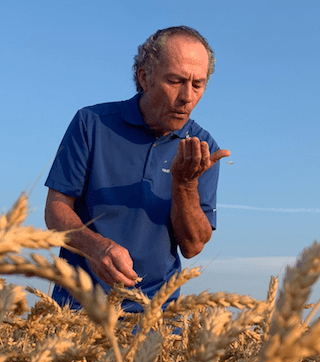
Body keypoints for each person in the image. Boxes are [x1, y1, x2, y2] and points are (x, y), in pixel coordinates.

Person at [44, 26, 230, 313]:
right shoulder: (91, 124)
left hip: (157, 319)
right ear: (145, 77)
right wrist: (95, 247)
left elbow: (193, 246)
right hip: (77, 310)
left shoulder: (203, 148)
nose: (187, 97)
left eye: (198, 84)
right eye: (176, 80)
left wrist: (185, 185)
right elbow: (55, 211)